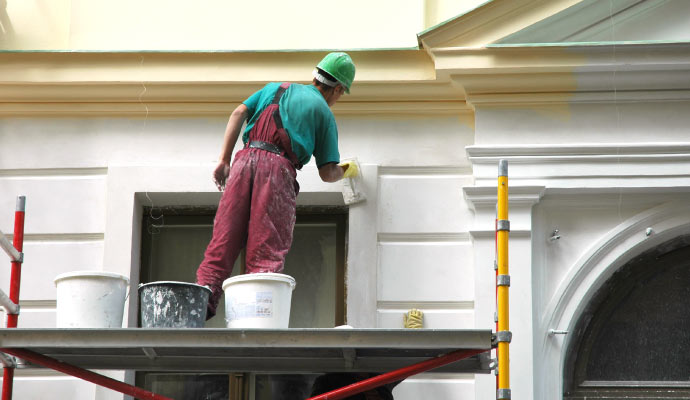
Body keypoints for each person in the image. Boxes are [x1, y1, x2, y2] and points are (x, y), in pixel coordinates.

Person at [196, 52, 358, 318]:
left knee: (223, 242)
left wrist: (224, 160)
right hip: (277, 171)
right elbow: (327, 173)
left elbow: (238, 112)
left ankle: (199, 306)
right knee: (266, 250)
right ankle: (255, 320)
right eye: (341, 93)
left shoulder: (274, 88)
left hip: (242, 162)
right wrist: (346, 170)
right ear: (338, 88)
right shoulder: (323, 113)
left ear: (316, 76)